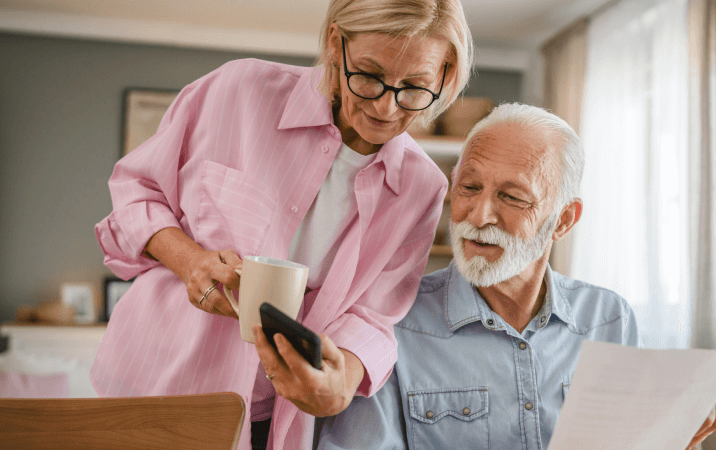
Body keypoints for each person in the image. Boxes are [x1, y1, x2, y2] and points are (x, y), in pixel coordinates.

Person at [90, 1, 474, 449]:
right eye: (368, 76)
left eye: (414, 87)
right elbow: (137, 192)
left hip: (270, 420)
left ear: (444, 76)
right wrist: (189, 259)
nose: (387, 108)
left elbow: (372, 317)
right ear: (336, 43)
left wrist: (339, 384)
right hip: (150, 386)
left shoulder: (420, 187)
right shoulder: (238, 90)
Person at [316, 103, 716, 449]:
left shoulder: (610, 319)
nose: (478, 217)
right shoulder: (391, 321)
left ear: (564, 219)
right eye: (469, 188)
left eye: (512, 197)